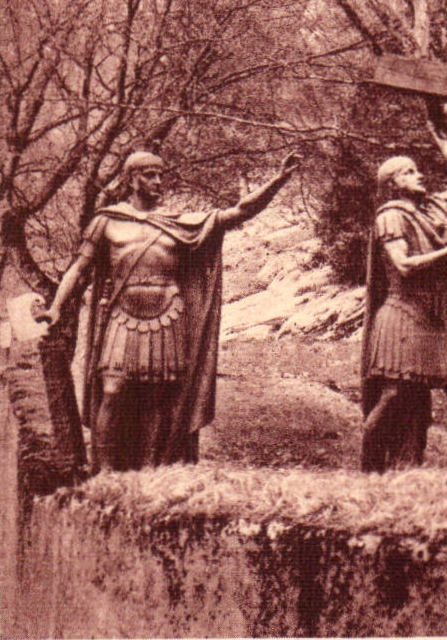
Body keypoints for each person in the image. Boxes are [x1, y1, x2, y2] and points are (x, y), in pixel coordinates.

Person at [38, 150, 300, 472]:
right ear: (131, 179)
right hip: (123, 315)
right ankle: (103, 472)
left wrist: (278, 180)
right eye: (149, 175)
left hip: (168, 316)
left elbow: (239, 212)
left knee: (158, 398)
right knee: (113, 389)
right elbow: (78, 268)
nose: (158, 182)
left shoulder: (180, 223)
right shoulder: (107, 221)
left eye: (160, 175)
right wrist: (55, 309)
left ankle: (151, 471)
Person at [361, 157, 447, 471]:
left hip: (431, 321)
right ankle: (370, 467)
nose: (419, 175)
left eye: (417, 169)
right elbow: (402, 264)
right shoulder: (390, 217)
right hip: (402, 315)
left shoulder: (429, 209)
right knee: (393, 396)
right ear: (392, 184)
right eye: (409, 172)